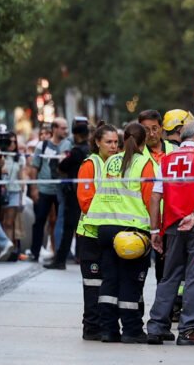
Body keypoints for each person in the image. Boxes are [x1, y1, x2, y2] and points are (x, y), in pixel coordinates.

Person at [146, 120, 194, 346]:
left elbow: (155, 196)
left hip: (173, 226)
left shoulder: (167, 160)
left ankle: (156, 327)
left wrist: (155, 229)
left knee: (169, 276)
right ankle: (188, 330)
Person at [84, 122, 155, 344]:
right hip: (131, 232)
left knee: (109, 281)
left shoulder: (111, 161)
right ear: (144, 141)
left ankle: (108, 330)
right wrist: (156, 228)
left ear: (124, 140)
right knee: (130, 281)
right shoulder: (144, 163)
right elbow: (150, 198)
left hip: (106, 228)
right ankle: (132, 330)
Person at [72, 123, 118, 340]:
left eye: (116, 142)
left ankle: (104, 325)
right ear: (97, 142)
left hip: (110, 233)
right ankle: (91, 327)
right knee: (93, 283)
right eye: (108, 142)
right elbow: (85, 201)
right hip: (90, 233)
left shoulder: (118, 164)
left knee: (108, 281)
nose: (113, 146)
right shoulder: (90, 164)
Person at [44, 122, 91, 269]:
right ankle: (81, 257)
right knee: (83, 227)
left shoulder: (76, 151)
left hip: (74, 194)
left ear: (76, 135)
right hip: (87, 193)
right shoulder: (90, 150)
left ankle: (60, 261)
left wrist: (62, 160)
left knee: (69, 227)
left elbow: (62, 166)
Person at [138, 110, 175, 284]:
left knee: (165, 271)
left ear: (161, 128)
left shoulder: (175, 151)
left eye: (155, 128)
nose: (151, 134)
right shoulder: (136, 154)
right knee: (138, 272)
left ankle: (165, 302)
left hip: (169, 220)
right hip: (142, 221)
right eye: (146, 130)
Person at [29, 118, 70, 261]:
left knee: (60, 222)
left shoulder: (67, 145)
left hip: (61, 190)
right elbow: (34, 167)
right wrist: (34, 188)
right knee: (40, 220)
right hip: (44, 189)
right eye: (63, 128)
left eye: (66, 128)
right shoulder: (42, 145)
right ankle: (35, 252)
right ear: (55, 128)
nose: (65, 131)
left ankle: (60, 252)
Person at [0, 132, 27, 252]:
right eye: (9, 141)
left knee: (9, 222)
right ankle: (1, 247)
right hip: (0, 191)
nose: (12, 144)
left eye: (15, 141)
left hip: (15, 191)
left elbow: (22, 176)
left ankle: (8, 250)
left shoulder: (19, 158)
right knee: (0, 221)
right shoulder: (0, 156)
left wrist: (22, 193)